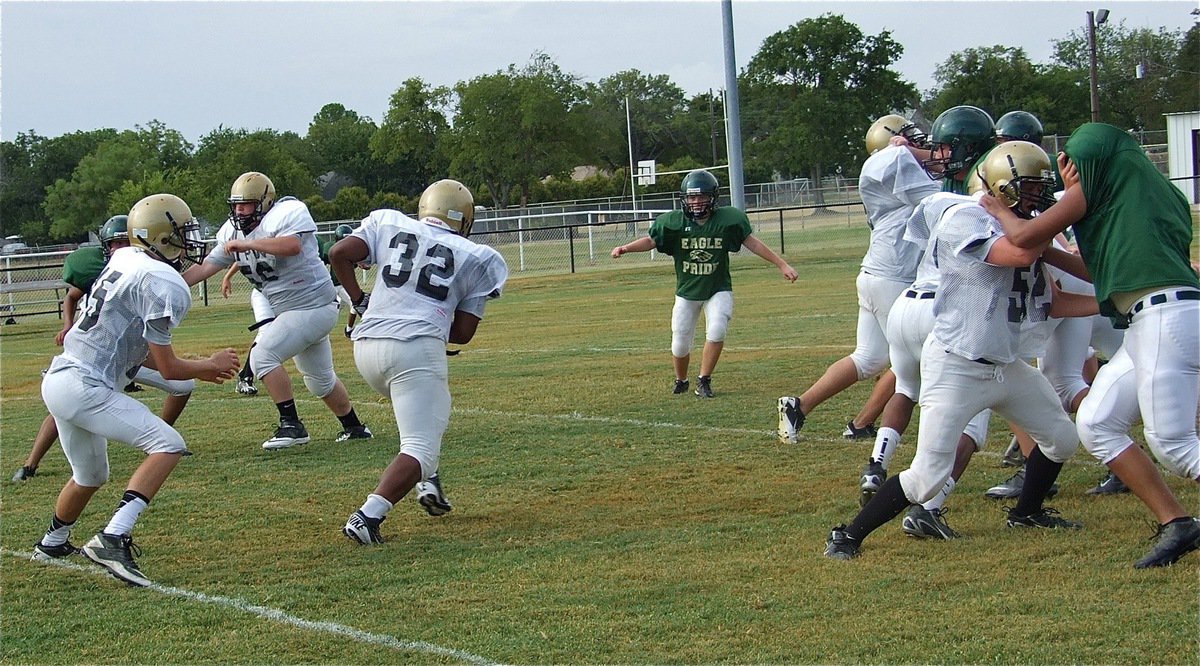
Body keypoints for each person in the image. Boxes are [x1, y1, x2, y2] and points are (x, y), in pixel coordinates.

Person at [826, 141, 1082, 560]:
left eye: (1042, 188)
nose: (1038, 197)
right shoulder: (966, 216)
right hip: (957, 365)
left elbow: (1060, 267)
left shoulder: (1024, 228)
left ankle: (1027, 512)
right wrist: (1068, 205)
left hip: (1003, 364)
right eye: (1030, 187)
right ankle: (847, 536)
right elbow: (1018, 252)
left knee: (1061, 438)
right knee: (926, 476)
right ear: (1000, 187)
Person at [981, 122, 1200, 569]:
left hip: (1166, 318)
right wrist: (1046, 252)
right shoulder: (1145, 198)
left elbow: (1022, 237)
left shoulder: (1100, 166)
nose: (1067, 170)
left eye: (1073, 161)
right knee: (1097, 423)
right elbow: (1100, 272)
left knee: (1175, 445)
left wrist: (995, 209)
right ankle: (1178, 523)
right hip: (1150, 320)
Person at [31, 194, 239, 586]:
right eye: (182, 231)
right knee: (168, 444)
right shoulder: (160, 282)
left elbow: (133, 350)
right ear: (161, 237)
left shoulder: (126, 259)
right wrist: (209, 364)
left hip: (61, 377)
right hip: (84, 384)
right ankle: (113, 536)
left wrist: (197, 370)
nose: (189, 239)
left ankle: (52, 541)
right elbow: (167, 366)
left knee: (90, 475)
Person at [333, 179, 507, 544]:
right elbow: (462, 333)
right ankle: (369, 516)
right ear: (464, 219)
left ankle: (430, 484)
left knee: (426, 418)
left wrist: (359, 300)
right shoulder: (477, 256)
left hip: (366, 348)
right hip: (413, 348)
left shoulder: (390, 222)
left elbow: (339, 253)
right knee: (420, 445)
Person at [777, 115, 939, 443]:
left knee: (869, 357)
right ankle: (865, 422)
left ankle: (800, 406)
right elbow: (942, 198)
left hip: (877, 274)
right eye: (909, 139)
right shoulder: (891, 163)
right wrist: (911, 153)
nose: (919, 144)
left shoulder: (892, 169)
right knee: (913, 356)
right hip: (894, 276)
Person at [184, 171, 372, 449]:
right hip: (292, 311)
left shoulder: (288, 212)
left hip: (314, 304)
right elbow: (207, 267)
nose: (239, 210)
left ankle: (291, 426)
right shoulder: (230, 231)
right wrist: (174, 283)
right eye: (235, 205)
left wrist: (247, 244)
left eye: (246, 204)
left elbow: (292, 245)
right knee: (320, 381)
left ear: (265, 202)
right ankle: (355, 427)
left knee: (263, 355)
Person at [13, 216, 195, 482]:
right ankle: (31, 464)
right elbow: (71, 297)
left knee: (183, 385)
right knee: (63, 407)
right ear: (105, 246)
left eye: (125, 241)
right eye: (114, 243)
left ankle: (157, 439)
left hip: (131, 356)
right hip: (97, 354)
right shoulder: (106, 267)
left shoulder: (142, 269)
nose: (120, 248)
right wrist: (66, 326)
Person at [612, 169, 797, 398]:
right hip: (687, 292)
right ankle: (681, 380)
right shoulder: (673, 223)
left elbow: (753, 243)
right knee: (679, 343)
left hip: (717, 289)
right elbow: (651, 240)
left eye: (701, 196)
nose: (697, 202)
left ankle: (704, 379)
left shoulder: (728, 220)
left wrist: (781, 264)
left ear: (713, 197)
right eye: (692, 197)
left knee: (717, 329)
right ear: (685, 198)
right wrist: (626, 248)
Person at [218, 263, 275, 396]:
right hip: (263, 293)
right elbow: (242, 259)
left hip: (287, 294)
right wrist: (227, 277)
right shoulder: (265, 243)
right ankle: (245, 377)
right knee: (265, 332)